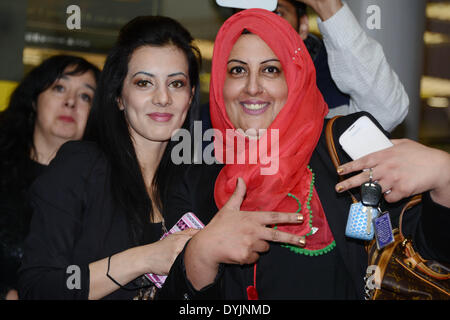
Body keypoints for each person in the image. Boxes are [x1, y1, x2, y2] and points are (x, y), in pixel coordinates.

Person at [158, 9, 449, 300]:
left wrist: (443, 176)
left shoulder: (346, 147)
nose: (252, 86)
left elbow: (429, 254)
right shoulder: (194, 178)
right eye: (237, 70)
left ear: (295, 78)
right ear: (221, 83)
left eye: (271, 69)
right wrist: (198, 257)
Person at [18, 16, 201, 300]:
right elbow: (39, 287)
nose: (163, 98)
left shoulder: (194, 183)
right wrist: (144, 259)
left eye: (176, 84)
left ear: (190, 97)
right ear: (119, 96)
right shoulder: (81, 167)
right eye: (144, 83)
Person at [0, 55, 100, 300]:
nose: (70, 102)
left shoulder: (104, 186)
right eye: (59, 88)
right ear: (35, 100)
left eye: (85, 96)